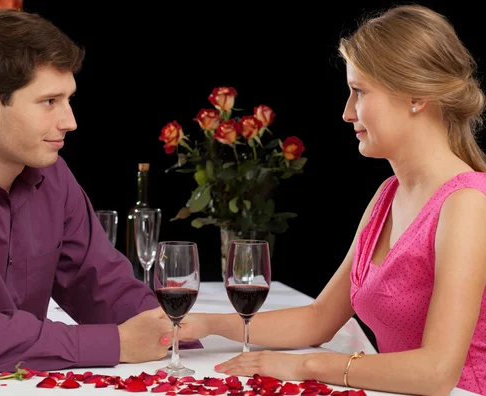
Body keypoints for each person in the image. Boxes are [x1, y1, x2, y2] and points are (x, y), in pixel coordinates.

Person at [177, 4, 486, 395]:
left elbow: (438, 373)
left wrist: (309, 365)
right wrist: (208, 323)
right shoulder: (388, 195)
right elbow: (319, 319)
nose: (346, 112)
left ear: (415, 96)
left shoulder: (467, 204)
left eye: (359, 92)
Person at [0, 8, 199, 373]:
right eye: (49, 102)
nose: (70, 121)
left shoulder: (53, 177)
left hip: (14, 384)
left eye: (69, 100)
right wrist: (118, 344)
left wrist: (177, 337)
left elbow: (104, 287)